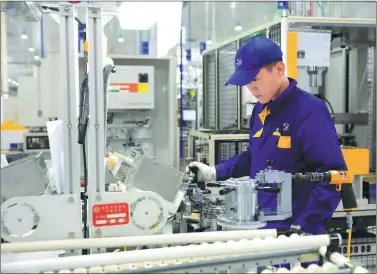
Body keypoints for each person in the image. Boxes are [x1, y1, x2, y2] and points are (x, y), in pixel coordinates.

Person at [186, 36, 347, 235]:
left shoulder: (310, 111)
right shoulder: (261, 110)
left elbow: (335, 176)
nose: (251, 88)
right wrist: (214, 172)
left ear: (279, 69)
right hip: (261, 227)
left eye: (255, 79)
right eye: (246, 82)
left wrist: (305, 227)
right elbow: (254, 157)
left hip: (295, 234)